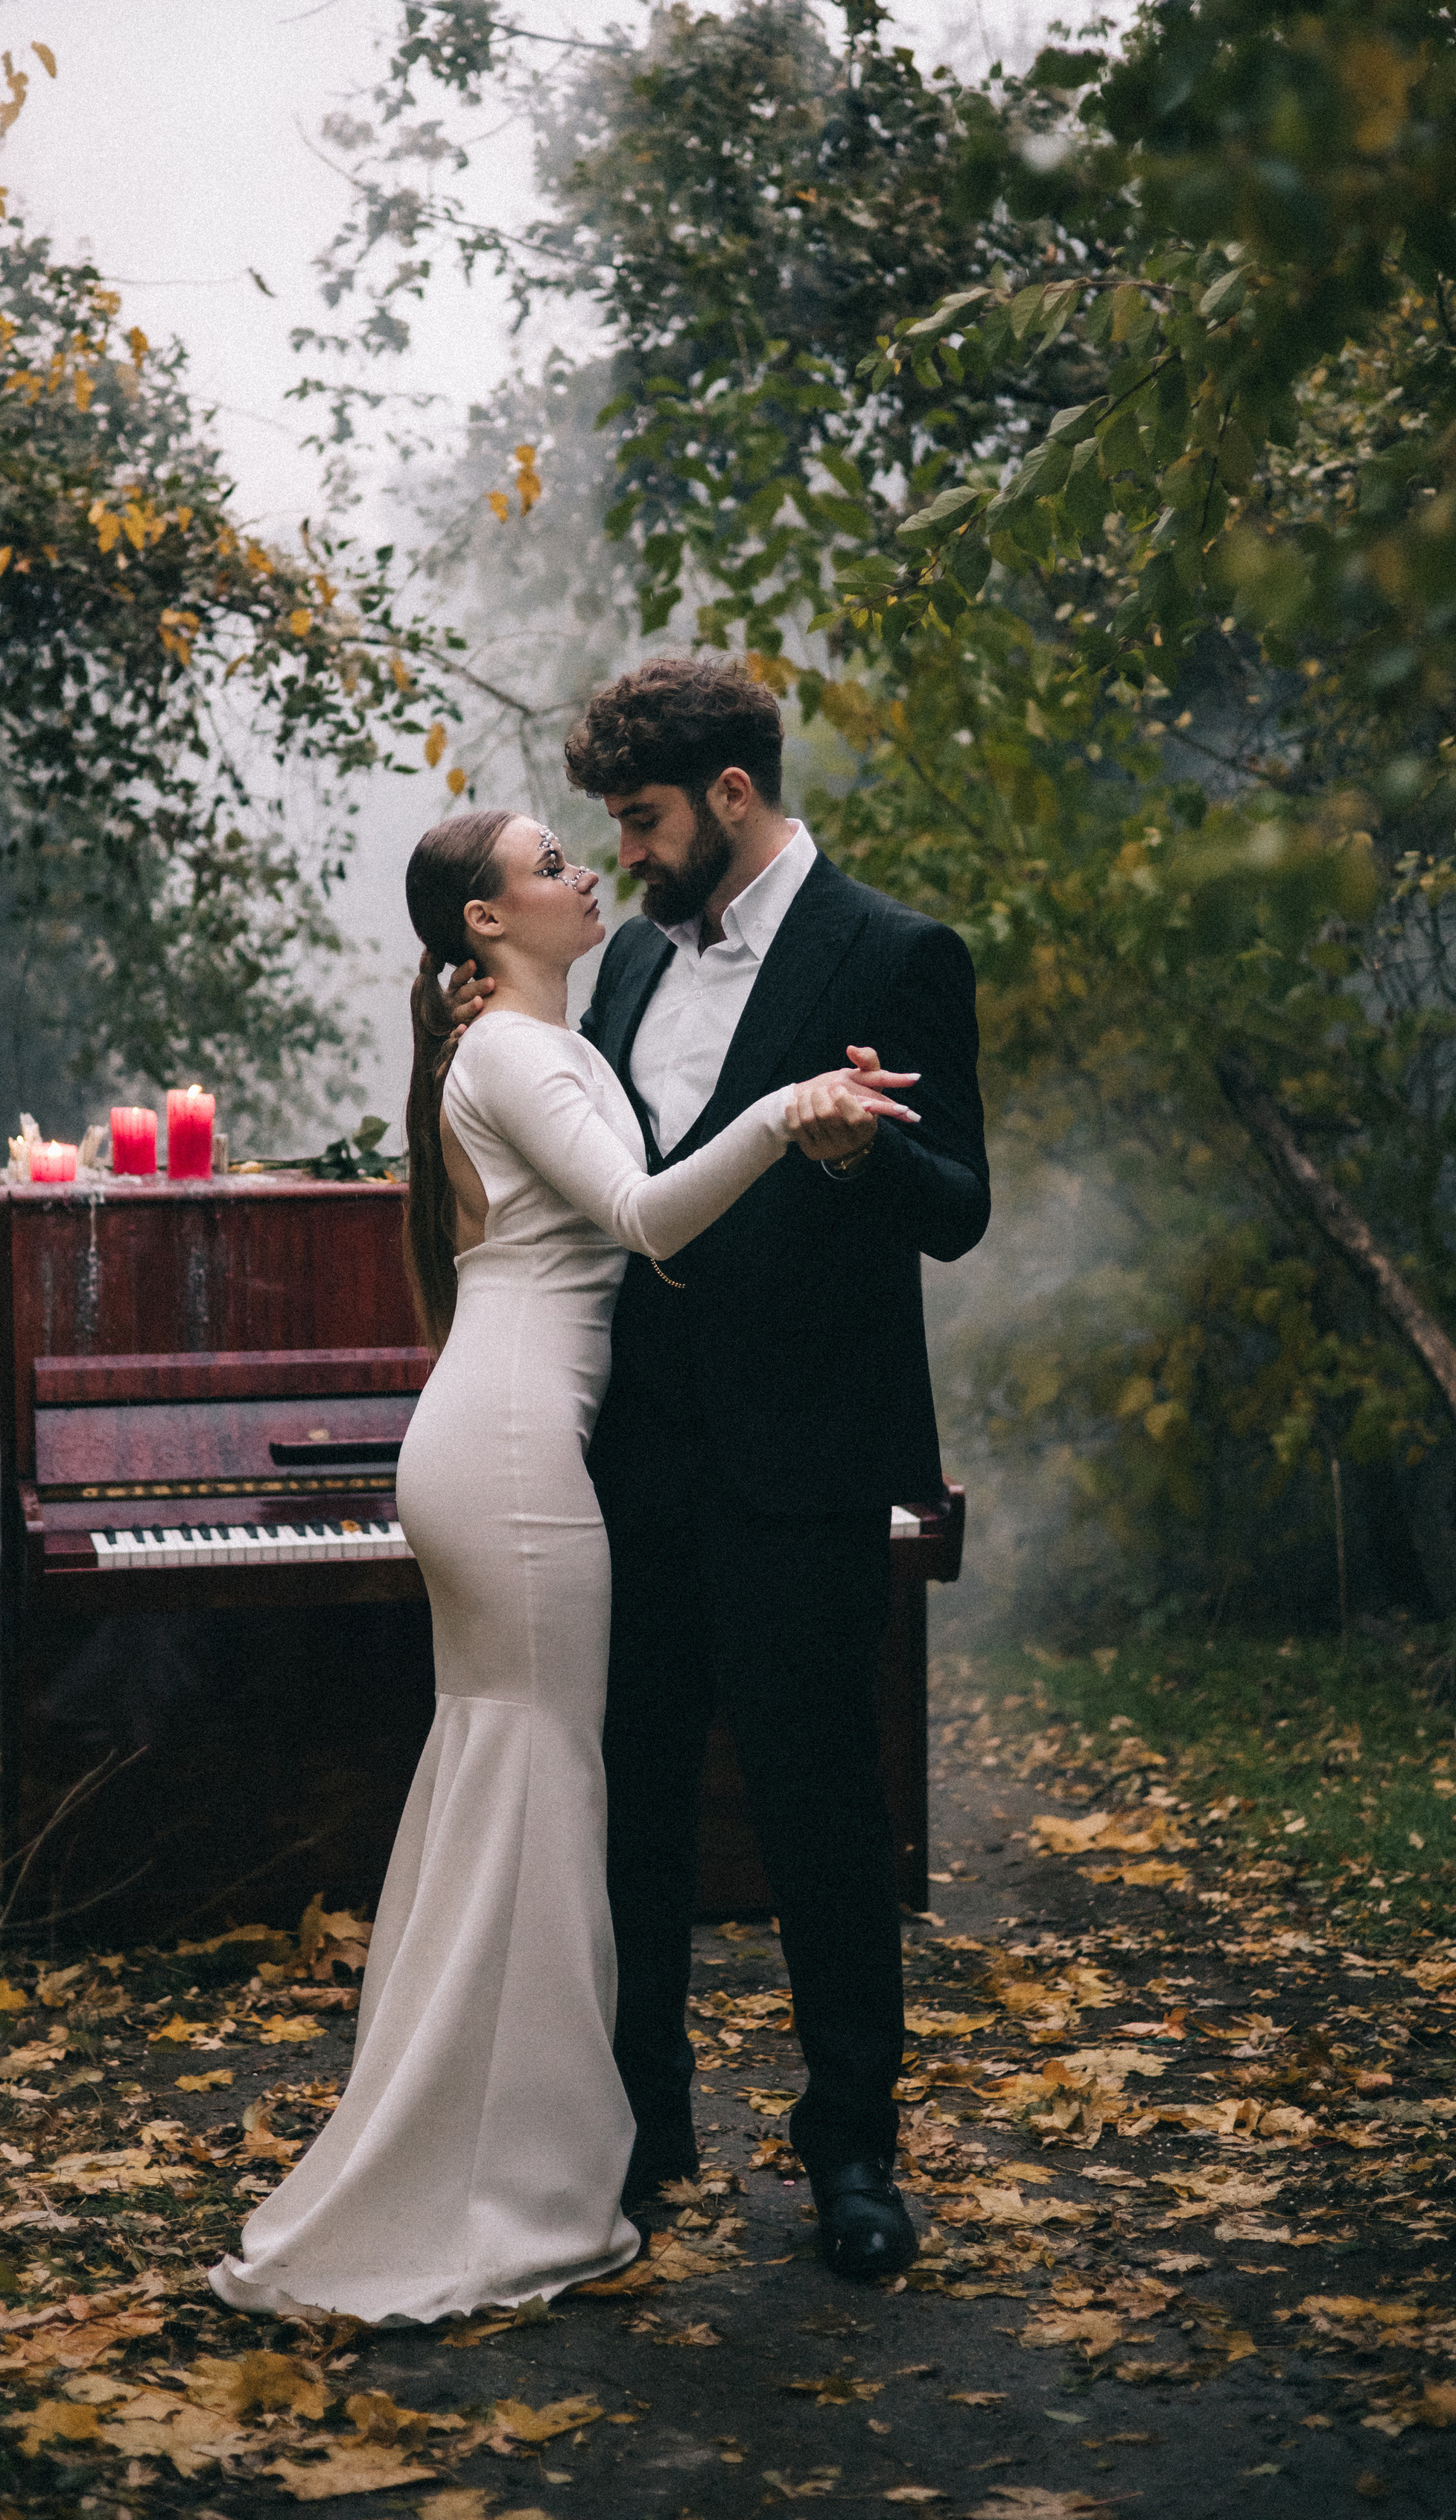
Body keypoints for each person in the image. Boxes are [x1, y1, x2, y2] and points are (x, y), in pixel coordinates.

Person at [207, 805, 916, 2327]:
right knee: (540, 1794)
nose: (581, 873)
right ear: (481, 921)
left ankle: (513, 2152)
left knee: (515, 1791)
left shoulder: (541, 1040)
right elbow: (651, 1218)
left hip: (507, 1444)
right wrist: (792, 1106)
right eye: (545, 865)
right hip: (518, 1461)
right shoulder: (518, 1057)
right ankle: (511, 2178)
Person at [453, 656, 989, 2283]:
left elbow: (956, 1204)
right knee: (629, 1808)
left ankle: (850, 2157)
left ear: (733, 799)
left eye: (641, 820)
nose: (620, 856)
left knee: (823, 1813)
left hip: (805, 1460)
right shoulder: (615, 969)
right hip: (626, 1463)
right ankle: (643, 2134)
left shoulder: (895, 953)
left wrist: (860, 1146)